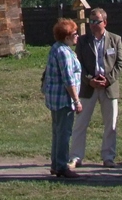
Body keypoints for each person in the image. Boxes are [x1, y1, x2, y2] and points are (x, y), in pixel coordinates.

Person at [70, 8, 122, 168]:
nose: (93, 25)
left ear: (105, 22)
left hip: (109, 87)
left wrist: (107, 80)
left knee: (110, 124)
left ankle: (108, 157)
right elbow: (77, 64)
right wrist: (89, 80)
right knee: (80, 123)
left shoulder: (115, 39)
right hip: (89, 87)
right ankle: (76, 157)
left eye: (97, 21)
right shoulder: (82, 41)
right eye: (91, 21)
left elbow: (120, 64)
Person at [43, 18, 83, 178]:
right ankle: (61, 166)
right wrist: (76, 100)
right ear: (66, 36)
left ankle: (55, 164)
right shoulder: (64, 53)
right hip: (63, 100)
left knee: (57, 133)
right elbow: (68, 79)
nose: (77, 36)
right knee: (64, 134)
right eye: (74, 33)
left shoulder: (57, 48)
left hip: (55, 98)